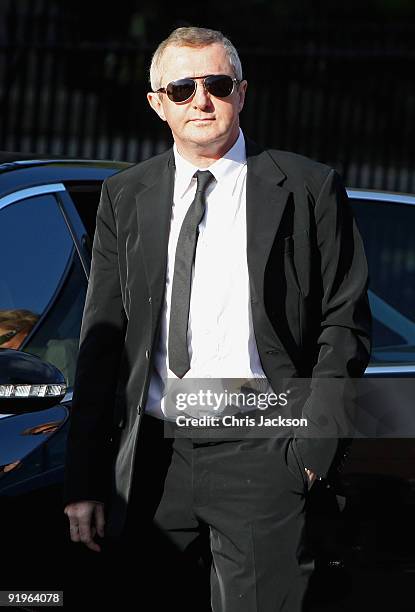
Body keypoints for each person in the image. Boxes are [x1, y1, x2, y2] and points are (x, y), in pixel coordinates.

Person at [62, 26, 371, 611]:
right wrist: (84, 480)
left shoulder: (307, 186)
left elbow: (343, 324)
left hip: (264, 449)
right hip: (151, 459)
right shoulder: (126, 196)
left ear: (242, 92)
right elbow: (101, 341)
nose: (200, 100)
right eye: (181, 88)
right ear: (157, 103)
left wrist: (311, 452)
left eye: (216, 84)